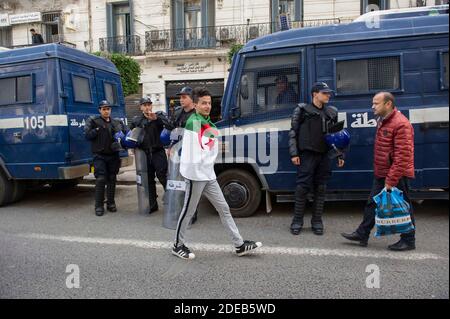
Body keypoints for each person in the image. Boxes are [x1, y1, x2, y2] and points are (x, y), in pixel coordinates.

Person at [172, 87, 262, 260]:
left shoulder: (207, 122)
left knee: (224, 208)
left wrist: (215, 147)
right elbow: (197, 151)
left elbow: (207, 146)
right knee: (188, 212)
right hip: (195, 175)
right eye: (203, 103)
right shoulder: (194, 122)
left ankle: (239, 245)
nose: (207, 106)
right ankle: (177, 245)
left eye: (209, 103)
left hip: (208, 174)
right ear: (195, 105)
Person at [341, 92, 416, 251]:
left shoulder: (401, 124)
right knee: (372, 203)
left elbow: (402, 156)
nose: (372, 106)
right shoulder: (383, 120)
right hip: (382, 172)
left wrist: (391, 180)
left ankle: (409, 240)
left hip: (396, 174)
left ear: (388, 104)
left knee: (403, 206)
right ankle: (362, 233)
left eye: (376, 103)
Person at [288, 82, 345, 236]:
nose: (328, 95)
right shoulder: (302, 110)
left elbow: (337, 136)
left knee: (321, 188)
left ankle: (317, 221)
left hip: (324, 155)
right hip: (307, 155)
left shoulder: (332, 112)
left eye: (329, 93)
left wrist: (340, 154)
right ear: (315, 94)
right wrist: (294, 154)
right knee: (302, 188)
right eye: (325, 93)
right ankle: (297, 221)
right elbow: (293, 132)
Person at [85, 100, 126, 216]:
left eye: (108, 109)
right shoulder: (94, 121)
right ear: (100, 110)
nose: (106, 111)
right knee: (101, 179)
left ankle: (111, 203)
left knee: (112, 179)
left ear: (110, 110)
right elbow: (87, 135)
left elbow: (123, 136)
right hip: (99, 155)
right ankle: (98, 206)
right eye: (104, 109)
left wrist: (121, 137)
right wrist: (97, 130)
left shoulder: (115, 122)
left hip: (113, 155)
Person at [129, 96, 170, 213]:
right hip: (144, 154)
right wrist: (133, 146)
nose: (147, 107)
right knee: (148, 179)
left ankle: (171, 201)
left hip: (158, 152)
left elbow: (168, 125)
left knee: (163, 176)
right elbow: (132, 134)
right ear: (141, 107)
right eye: (145, 105)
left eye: (149, 105)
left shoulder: (159, 116)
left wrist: (156, 118)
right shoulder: (137, 120)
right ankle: (152, 204)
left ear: (151, 106)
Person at [170, 86, 199, 224]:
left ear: (191, 98)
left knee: (191, 185)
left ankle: (192, 213)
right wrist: (170, 147)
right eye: (180, 97)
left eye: (184, 97)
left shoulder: (198, 114)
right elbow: (173, 132)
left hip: (192, 154)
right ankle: (180, 209)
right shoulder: (177, 113)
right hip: (178, 152)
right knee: (179, 182)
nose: (181, 100)